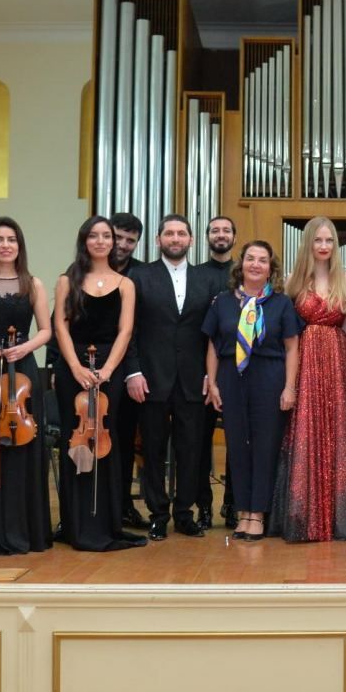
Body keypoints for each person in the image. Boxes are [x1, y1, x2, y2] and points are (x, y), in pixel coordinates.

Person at [125, 215, 225, 539]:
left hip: (194, 378)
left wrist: (212, 375)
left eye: (182, 233)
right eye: (169, 233)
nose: (176, 238)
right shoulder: (140, 277)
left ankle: (185, 512)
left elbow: (215, 334)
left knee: (191, 450)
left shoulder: (207, 280)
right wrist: (134, 371)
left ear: (191, 240)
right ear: (158, 240)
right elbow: (130, 331)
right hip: (151, 377)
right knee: (153, 449)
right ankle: (157, 513)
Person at [53, 216, 143, 552]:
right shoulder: (67, 280)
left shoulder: (125, 284)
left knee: (108, 440)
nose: (102, 241)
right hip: (72, 366)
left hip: (110, 368)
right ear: (84, 240)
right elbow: (60, 327)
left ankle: (108, 524)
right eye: (95, 235)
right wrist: (75, 366)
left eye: (107, 236)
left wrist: (107, 370)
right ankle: (75, 525)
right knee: (74, 440)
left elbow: (125, 331)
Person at [203, 241, 302, 542]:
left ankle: (257, 513)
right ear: (241, 264)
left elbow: (292, 346)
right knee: (237, 446)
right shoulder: (222, 301)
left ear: (271, 269)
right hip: (231, 376)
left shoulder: (281, 303)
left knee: (265, 445)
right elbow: (211, 345)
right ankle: (242, 510)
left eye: (262, 260)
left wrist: (289, 387)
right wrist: (213, 381)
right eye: (250, 259)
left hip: (269, 376)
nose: (255, 264)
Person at [272, 216, 346, 542]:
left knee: (337, 433)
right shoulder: (292, 281)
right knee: (306, 432)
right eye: (318, 241)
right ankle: (302, 515)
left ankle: (337, 517)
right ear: (308, 243)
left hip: (337, 362)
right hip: (305, 362)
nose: (324, 247)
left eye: (329, 241)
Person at [0, 217, 53, 555]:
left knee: (22, 448)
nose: (5, 245)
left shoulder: (32, 283)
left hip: (22, 374)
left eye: (12, 239)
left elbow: (47, 331)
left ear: (20, 245)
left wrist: (26, 346)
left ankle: (24, 529)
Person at [105, 212, 147, 529]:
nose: (122, 244)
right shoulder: (81, 270)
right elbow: (62, 319)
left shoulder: (143, 275)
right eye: (117, 237)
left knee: (122, 443)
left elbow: (140, 328)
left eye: (130, 240)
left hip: (129, 371)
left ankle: (121, 506)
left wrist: (135, 370)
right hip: (90, 368)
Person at [196, 215, 236, 529]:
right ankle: (204, 507)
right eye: (215, 230)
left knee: (237, 442)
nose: (220, 235)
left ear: (234, 237)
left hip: (238, 371)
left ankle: (234, 504)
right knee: (199, 443)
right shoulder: (195, 275)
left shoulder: (245, 274)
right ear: (207, 236)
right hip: (200, 371)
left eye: (226, 230)